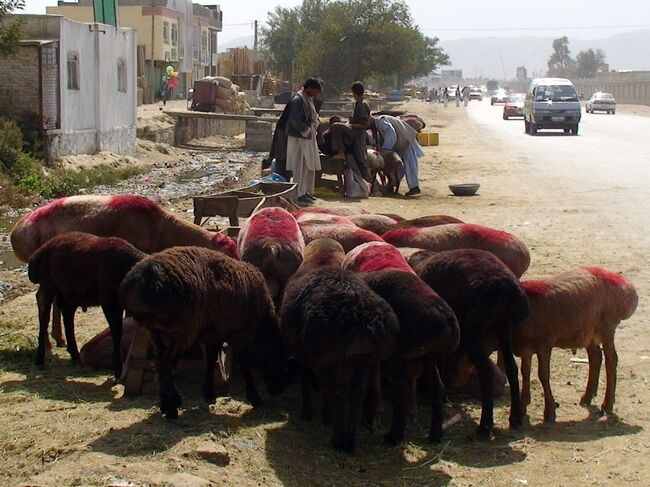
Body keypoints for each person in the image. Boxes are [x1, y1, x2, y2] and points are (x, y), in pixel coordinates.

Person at [286, 78, 322, 205]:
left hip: (307, 137)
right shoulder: (298, 100)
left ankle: (305, 191)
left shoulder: (307, 100)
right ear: (309, 88)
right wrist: (306, 131)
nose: (316, 95)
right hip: (299, 138)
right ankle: (298, 193)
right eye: (315, 91)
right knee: (299, 167)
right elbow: (294, 120)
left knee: (307, 166)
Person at [329, 81, 372, 181]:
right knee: (360, 159)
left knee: (336, 126)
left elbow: (363, 124)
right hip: (356, 132)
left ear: (354, 92)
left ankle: (340, 152)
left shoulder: (362, 105)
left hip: (357, 134)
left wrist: (350, 124)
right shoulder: (359, 103)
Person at [371, 115, 424, 196]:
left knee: (410, 164)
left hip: (406, 140)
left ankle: (414, 187)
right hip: (401, 143)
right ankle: (393, 184)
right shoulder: (379, 124)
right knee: (400, 165)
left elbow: (391, 134)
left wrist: (385, 150)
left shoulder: (381, 121)